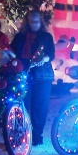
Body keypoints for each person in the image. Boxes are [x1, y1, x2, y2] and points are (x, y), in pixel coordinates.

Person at [10, 10, 55, 146]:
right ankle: (19, 135)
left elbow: (51, 54)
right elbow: (12, 51)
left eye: (36, 21)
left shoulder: (46, 37)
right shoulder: (20, 37)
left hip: (42, 76)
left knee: (40, 107)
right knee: (21, 105)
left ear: (40, 22)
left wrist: (44, 59)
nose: (34, 24)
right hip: (23, 74)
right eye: (31, 21)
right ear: (27, 22)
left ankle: (36, 136)